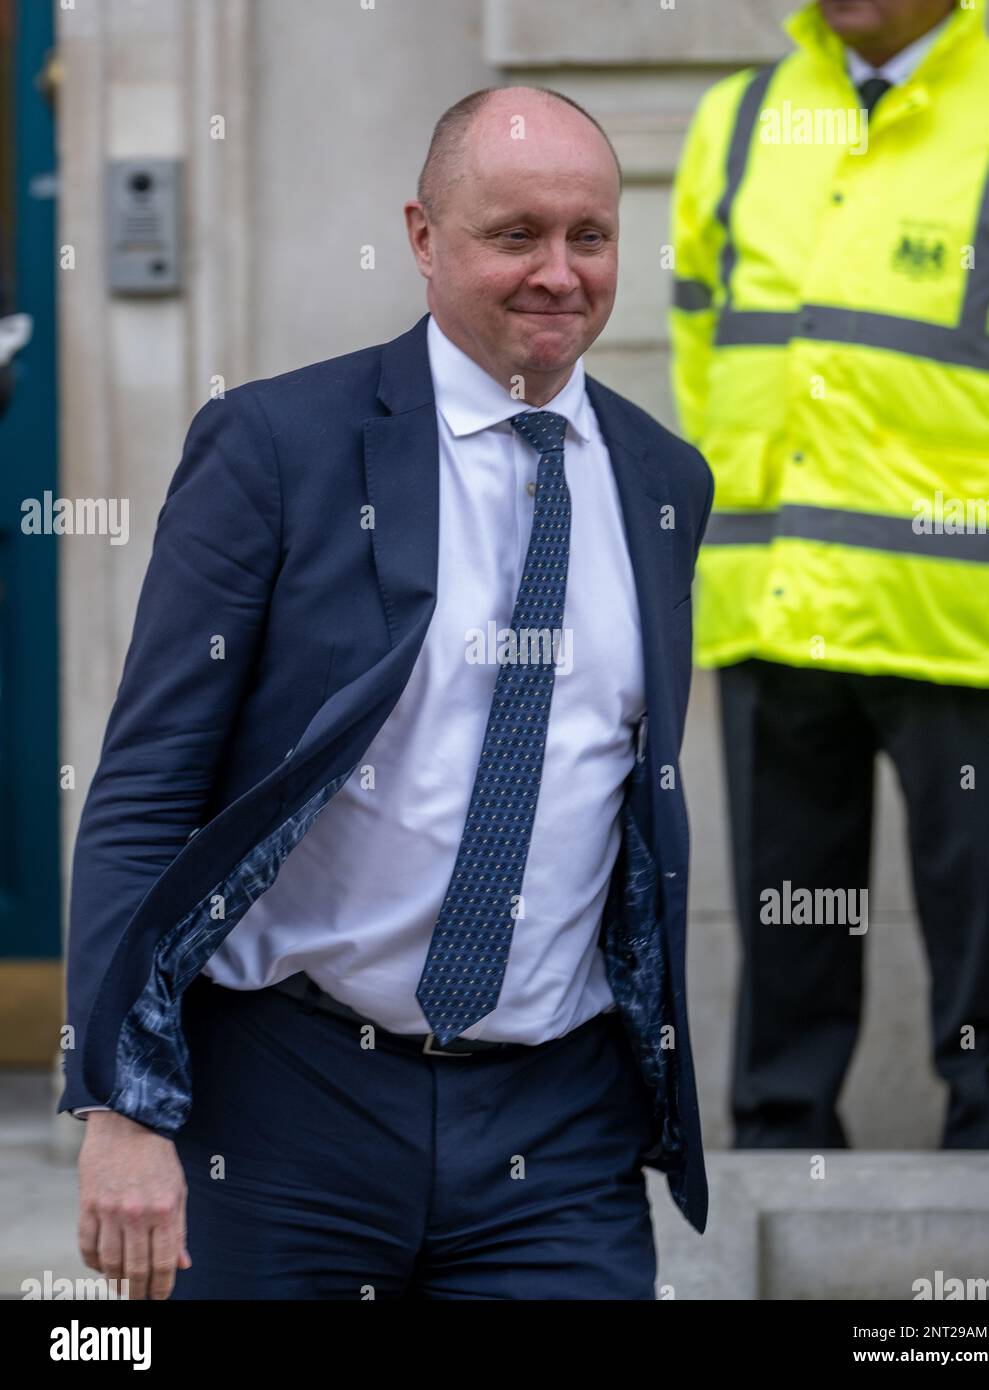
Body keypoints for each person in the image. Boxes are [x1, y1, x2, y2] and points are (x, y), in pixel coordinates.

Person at [62, 85, 714, 1300]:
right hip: (287, 1102)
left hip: (557, 1130)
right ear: (422, 236)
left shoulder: (665, 482)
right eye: (514, 235)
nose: (560, 274)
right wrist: (118, 1098)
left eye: (591, 236)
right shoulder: (276, 451)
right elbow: (149, 789)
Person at [669, 0, 989, 1150]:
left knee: (988, 921)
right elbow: (702, 346)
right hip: (772, 603)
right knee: (787, 920)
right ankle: (781, 1158)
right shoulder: (737, 120)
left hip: (955, 610)